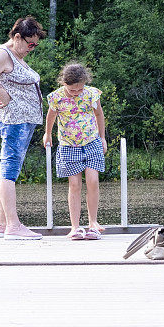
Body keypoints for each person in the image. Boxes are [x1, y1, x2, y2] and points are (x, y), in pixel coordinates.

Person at [0, 16, 46, 240]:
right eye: (30, 43)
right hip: (14, 121)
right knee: (9, 171)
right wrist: (2, 94)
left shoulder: (14, 54)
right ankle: (14, 225)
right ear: (16, 37)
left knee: (7, 170)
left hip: (20, 121)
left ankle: (3, 224)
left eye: (35, 45)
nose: (32, 48)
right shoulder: (3, 54)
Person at [43, 62, 107, 240]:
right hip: (69, 144)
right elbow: (51, 115)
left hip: (91, 141)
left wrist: (102, 138)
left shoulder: (92, 94)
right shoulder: (56, 97)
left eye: (79, 89)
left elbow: (99, 114)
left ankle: (93, 223)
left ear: (84, 83)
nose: (76, 93)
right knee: (75, 185)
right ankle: (75, 226)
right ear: (64, 84)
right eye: (72, 90)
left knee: (93, 180)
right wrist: (47, 134)